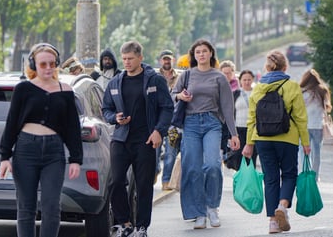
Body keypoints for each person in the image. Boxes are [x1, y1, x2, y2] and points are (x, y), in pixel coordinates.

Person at [0, 43, 83, 237]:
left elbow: (72, 128)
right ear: (34, 65)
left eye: (52, 63)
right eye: (43, 64)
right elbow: (11, 123)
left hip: (54, 152)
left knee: (52, 207)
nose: (48, 68)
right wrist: (4, 156)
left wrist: (76, 159)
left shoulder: (66, 90)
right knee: (26, 208)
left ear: (57, 64)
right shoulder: (23, 89)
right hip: (25, 150)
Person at [102, 40, 174, 237]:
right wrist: (114, 118)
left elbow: (167, 107)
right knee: (115, 182)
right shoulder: (116, 81)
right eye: (124, 59)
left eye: (130, 59)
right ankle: (124, 223)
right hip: (121, 139)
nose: (126, 62)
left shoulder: (154, 80)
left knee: (143, 185)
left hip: (146, 140)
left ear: (140, 58)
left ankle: (141, 227)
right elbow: (106, 108)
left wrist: (159, 130)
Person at [172, 39, 240, 230]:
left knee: (212, 165)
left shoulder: (219, 77)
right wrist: (180, 96)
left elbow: (228, 107)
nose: (201, 54)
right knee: (192, 168)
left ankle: (212, 207)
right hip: (191, 124)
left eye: (204, 51)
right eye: (197, 52)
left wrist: (233, 134)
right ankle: (199, 213)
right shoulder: (186, 75)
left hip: (212, 123)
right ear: (194, 56)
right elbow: (172, 95)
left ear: (211, 53)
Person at [242, 50, 310, 234]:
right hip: (287, 137)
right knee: (289, 174)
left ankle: (273, 222)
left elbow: (251, 118)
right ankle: (282, 206)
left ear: (267, 67)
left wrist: (249, 143)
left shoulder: (257, 88)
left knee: (270, 178)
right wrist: (305, 141)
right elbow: (300, 117)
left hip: (262, 138)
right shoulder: (292, 86)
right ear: (285, 66)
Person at [298, 68, 332, 181]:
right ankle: (315, 176)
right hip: (318, 126)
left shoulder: (301, 92)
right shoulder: (322, 91)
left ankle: (304, 173)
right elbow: (327, 107)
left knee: (303, 151)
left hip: (304, 127)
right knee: (316, 152)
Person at [225, 69, 258, 170]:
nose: (247, 82)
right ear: (240, 81)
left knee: (251, 158)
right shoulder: (235, 94)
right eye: (244, 80)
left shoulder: (257, 93)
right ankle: (239, 183)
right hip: (238, 130)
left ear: (253, 80)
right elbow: (229, 114)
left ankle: (249, 183)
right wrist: (230, 134)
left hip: (252, 130)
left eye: (249, 79)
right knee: (237, 158)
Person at [156, 49, 179, 191]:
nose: (166, 62)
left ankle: (166, 181)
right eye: (164, 59)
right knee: (155, 152)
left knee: (171, 153)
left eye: (169, 59)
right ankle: (155, 170)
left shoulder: (179, 78)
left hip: (173, 121)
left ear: (173, 60)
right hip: (157, 121)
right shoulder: (155, 77)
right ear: (160, 61)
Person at [219, 60, 239, 163]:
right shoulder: (216, 88)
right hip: (219, 125)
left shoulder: (238, 90)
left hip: (234, 125)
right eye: (224, 73)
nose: (227, 75)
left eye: (229, 73)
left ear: (233, 73)